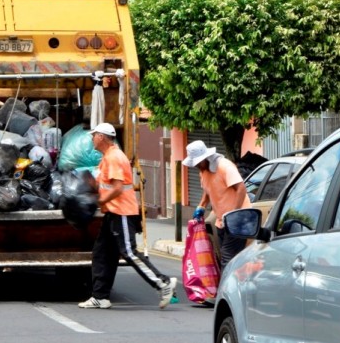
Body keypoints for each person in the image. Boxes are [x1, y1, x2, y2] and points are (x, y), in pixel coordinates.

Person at [78, 123, 177, 309]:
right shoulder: (108, 157)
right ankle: (100, 296)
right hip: (112, 213)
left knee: (129, 252)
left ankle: (163, 283)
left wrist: (97, 202)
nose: (92, 139)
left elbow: (116, 188)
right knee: (102, 253)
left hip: (121, 212)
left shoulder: (115, 157)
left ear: (102, 137)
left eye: (94, 135)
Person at [182, 140, 252, 270]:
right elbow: (208, 189)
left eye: (197, 162)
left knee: (227, 256)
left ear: (205, 158)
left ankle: (225, 288)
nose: (196, 165)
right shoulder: (203, 171)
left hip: (239, 219)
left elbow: (241, 189)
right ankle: (236, 285)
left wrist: (233, 214)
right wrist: (201, 207)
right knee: (228, 256)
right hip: (222, 220)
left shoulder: (225, 166)